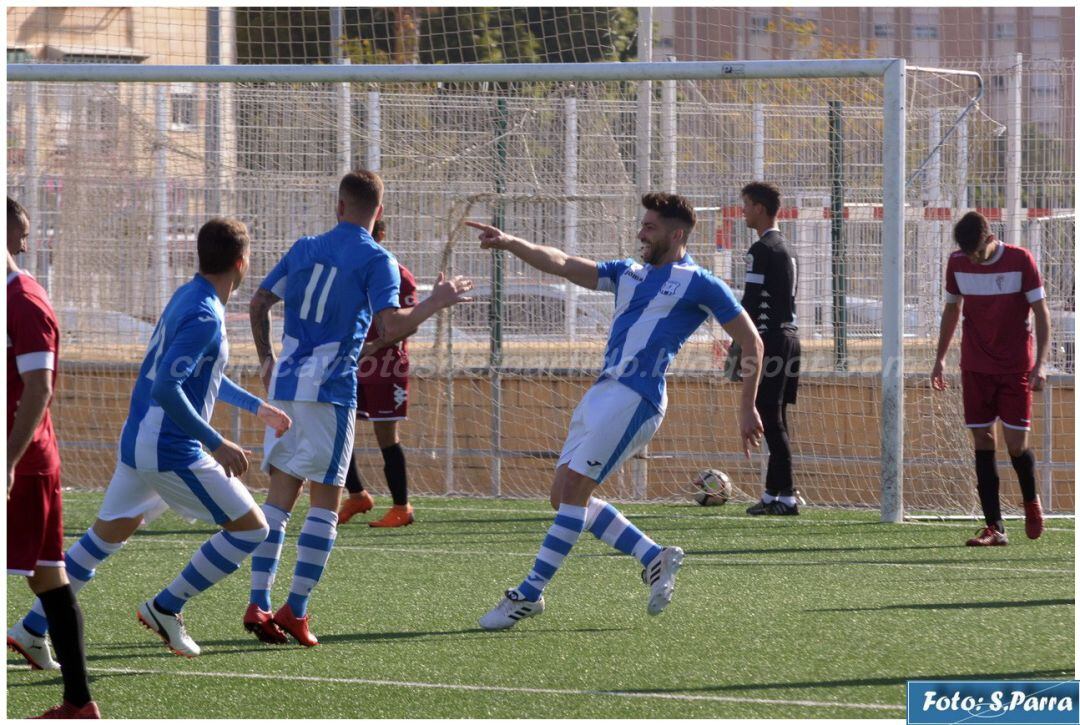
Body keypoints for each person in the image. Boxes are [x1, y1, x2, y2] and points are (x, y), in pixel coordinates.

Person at [465, 192, 764, 630]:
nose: (641, 233)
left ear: (676, 234)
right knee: (562, 496)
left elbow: (753, 343)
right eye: (642, 225)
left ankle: (527, 594)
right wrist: (511, 242)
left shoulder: (700, 282)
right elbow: (563, 263)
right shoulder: (629, 272)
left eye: (650, 227)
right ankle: (652, 556)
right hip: (603, 393)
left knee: (573, 493)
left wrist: (747, 406)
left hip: (636, 396)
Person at [11, 217, 289, 671]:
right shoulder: (204, 314)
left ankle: (32, 627)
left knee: (103, 538)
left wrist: (258, 408)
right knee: (253, 529)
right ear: (241, 263)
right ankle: (166, 606)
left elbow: (203, 378)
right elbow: (167, 388)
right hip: (168, 448)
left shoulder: (190, 295)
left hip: (142, 439)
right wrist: (217, 442)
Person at [247, 170, 472, 646]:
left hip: (286, 383)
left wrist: (267, 358)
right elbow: (390, 327)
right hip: (330, 390)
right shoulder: (379, 259)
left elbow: (260, 300)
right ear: (380, 212)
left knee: (279, 499)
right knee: (326, 502)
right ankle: (296, 611)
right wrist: (435, 301)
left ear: (339, 207)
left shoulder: (305, 246)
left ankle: (258, 601)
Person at [6, 198, 100, 718]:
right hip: (24, 462)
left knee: (48, 577)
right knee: (48, 577)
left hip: (22, 465)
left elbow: (39, 388)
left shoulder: (23, 300)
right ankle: (79, 702)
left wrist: (7, 462)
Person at [931, 211, 1051, 546]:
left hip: (1015, 368)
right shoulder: (957, 263)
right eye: (966, 252)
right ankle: (994, 527)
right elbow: (952, 310)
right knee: (982, 440)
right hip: (975, 366)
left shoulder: (1020, 260)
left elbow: (1041, 313)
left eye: (976, 251)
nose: (971, 258)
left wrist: (1040, 363)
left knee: (1016, 445)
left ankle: (1030, 500)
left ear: (989, 238)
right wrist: (940, 359)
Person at [339, 219, 420, 528]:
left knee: (386, 436)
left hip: (386, 367)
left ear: (380, 235)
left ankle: (402, 506)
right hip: (352, 364)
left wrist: (374, 346)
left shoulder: (399, 275)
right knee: (339, 430)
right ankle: (357, 495)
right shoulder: (349, 271)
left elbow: (409, 323)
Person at [733, 181, 802, 516]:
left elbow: (749, 302)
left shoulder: (760, 251)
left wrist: (738, 338)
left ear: (759, 207)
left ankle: (787, 496)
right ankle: (774, 494)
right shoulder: (787, 249)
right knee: (777, 418)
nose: (742, 210)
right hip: (791, 337)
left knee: (770, 418)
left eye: (746, 204)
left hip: (769, 341)